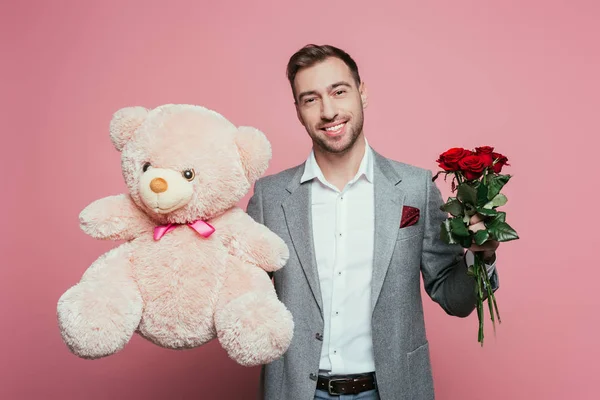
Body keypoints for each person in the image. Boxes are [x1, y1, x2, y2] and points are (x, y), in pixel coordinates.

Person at [246, 44, 500, 400]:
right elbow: (239, 295)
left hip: (393, 389)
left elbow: (453, 298)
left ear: (362, 93)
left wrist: (480, 257)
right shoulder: (270, 198)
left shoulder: (414, 188)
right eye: (311, 99)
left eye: (339, 91)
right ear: (299, 112)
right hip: (297, 391)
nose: (328, 110)